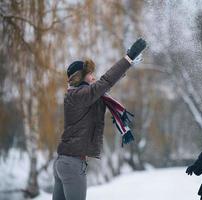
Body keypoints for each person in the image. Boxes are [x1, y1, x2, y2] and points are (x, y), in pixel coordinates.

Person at [52, 38, 147, 200]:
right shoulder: (81, 95)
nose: (93, 77)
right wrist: (127, 59)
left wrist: (126, 67)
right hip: (73, 165)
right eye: (90, 74)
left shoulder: (77, 95)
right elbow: (106, 81)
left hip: (63, 162)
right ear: (80, 77)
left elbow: (104, 86)